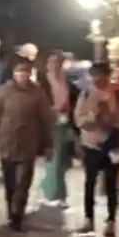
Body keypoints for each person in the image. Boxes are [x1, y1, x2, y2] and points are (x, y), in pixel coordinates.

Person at [0, 56, 54, 231]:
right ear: (14, 72)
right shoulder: (4, 91)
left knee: (23, 182)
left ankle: (18, 214)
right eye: (20, 71)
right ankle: (11, 213)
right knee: (10, 182)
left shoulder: (37, 93)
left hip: (28, 144)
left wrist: (48, 143)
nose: (23, 75)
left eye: (26, 71)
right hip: (6, 143)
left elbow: (46, 120)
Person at [75, 60, 119, 236]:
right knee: (90, 182)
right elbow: (79, 120)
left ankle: (111, 221)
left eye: (103, 75)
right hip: (91, 144)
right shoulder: (86, 95)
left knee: (111, 184)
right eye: (96, 76)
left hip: (112, 145)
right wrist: (94, 118)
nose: (99, 79)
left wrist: (114, 122)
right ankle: (88, 219)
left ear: (109, 75)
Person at [38, 49, 79, 208]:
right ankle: (56, 194)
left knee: (63, 161)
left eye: (59, 62)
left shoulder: (67, 83)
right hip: (49, 125)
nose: (55, 65)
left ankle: (49, 189)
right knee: (54, 160)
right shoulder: (42, 82)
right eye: (52, 62)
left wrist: (69, 109)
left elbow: (75, 101)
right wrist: (53, 110)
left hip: (65, 124)